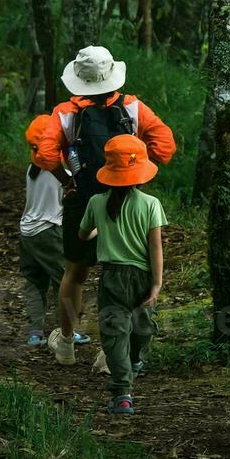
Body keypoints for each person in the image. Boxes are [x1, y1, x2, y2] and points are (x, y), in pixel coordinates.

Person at [34, 46, 176, 365]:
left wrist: (66, 180)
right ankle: (109, 351)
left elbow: (43, 154)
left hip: (84, 202)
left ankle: (67, 343)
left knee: (75, 274)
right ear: (113, 76)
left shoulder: (66, 113)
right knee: (121, 274)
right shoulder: (135, 109)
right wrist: (135, 171)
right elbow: (165, 146)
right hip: (129, 203)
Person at [78, 134, 165, 415]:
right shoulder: (150, 204)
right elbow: (155, 248)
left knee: (115, 334)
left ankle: (122, 394)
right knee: (142, 326)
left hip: (112, 278)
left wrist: (98, 230)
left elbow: (83, 234)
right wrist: (156, 283)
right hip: (141, 275)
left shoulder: (96, 203)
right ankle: (137, 360)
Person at [17, 115, 90, 348]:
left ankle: (35, 333)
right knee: (67, 279)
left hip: (27, 233)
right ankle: (70, 331)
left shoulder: (32, 170)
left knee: (34, 282)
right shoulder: (62, 177)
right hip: (48, 232)